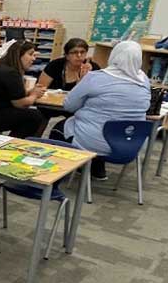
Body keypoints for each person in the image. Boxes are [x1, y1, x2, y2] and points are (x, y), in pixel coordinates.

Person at [52, 40, 151, 180]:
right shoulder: (144, 80)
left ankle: (57, 176)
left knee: (60, 129)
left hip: (95, 141)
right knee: (97, 126)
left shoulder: (96, 77)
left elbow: (69, 106)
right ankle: (96, 170)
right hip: (131, 144)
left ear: (114, 55)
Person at [0, 41, 47, 139]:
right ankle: (12, 144)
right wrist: (34, 95)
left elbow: (10, 94)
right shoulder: (10, 73)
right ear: (19, 55)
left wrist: (30, 92)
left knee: (29, 115)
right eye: (30, 54)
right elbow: (20, 103)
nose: (33, 59)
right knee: (35, 117)